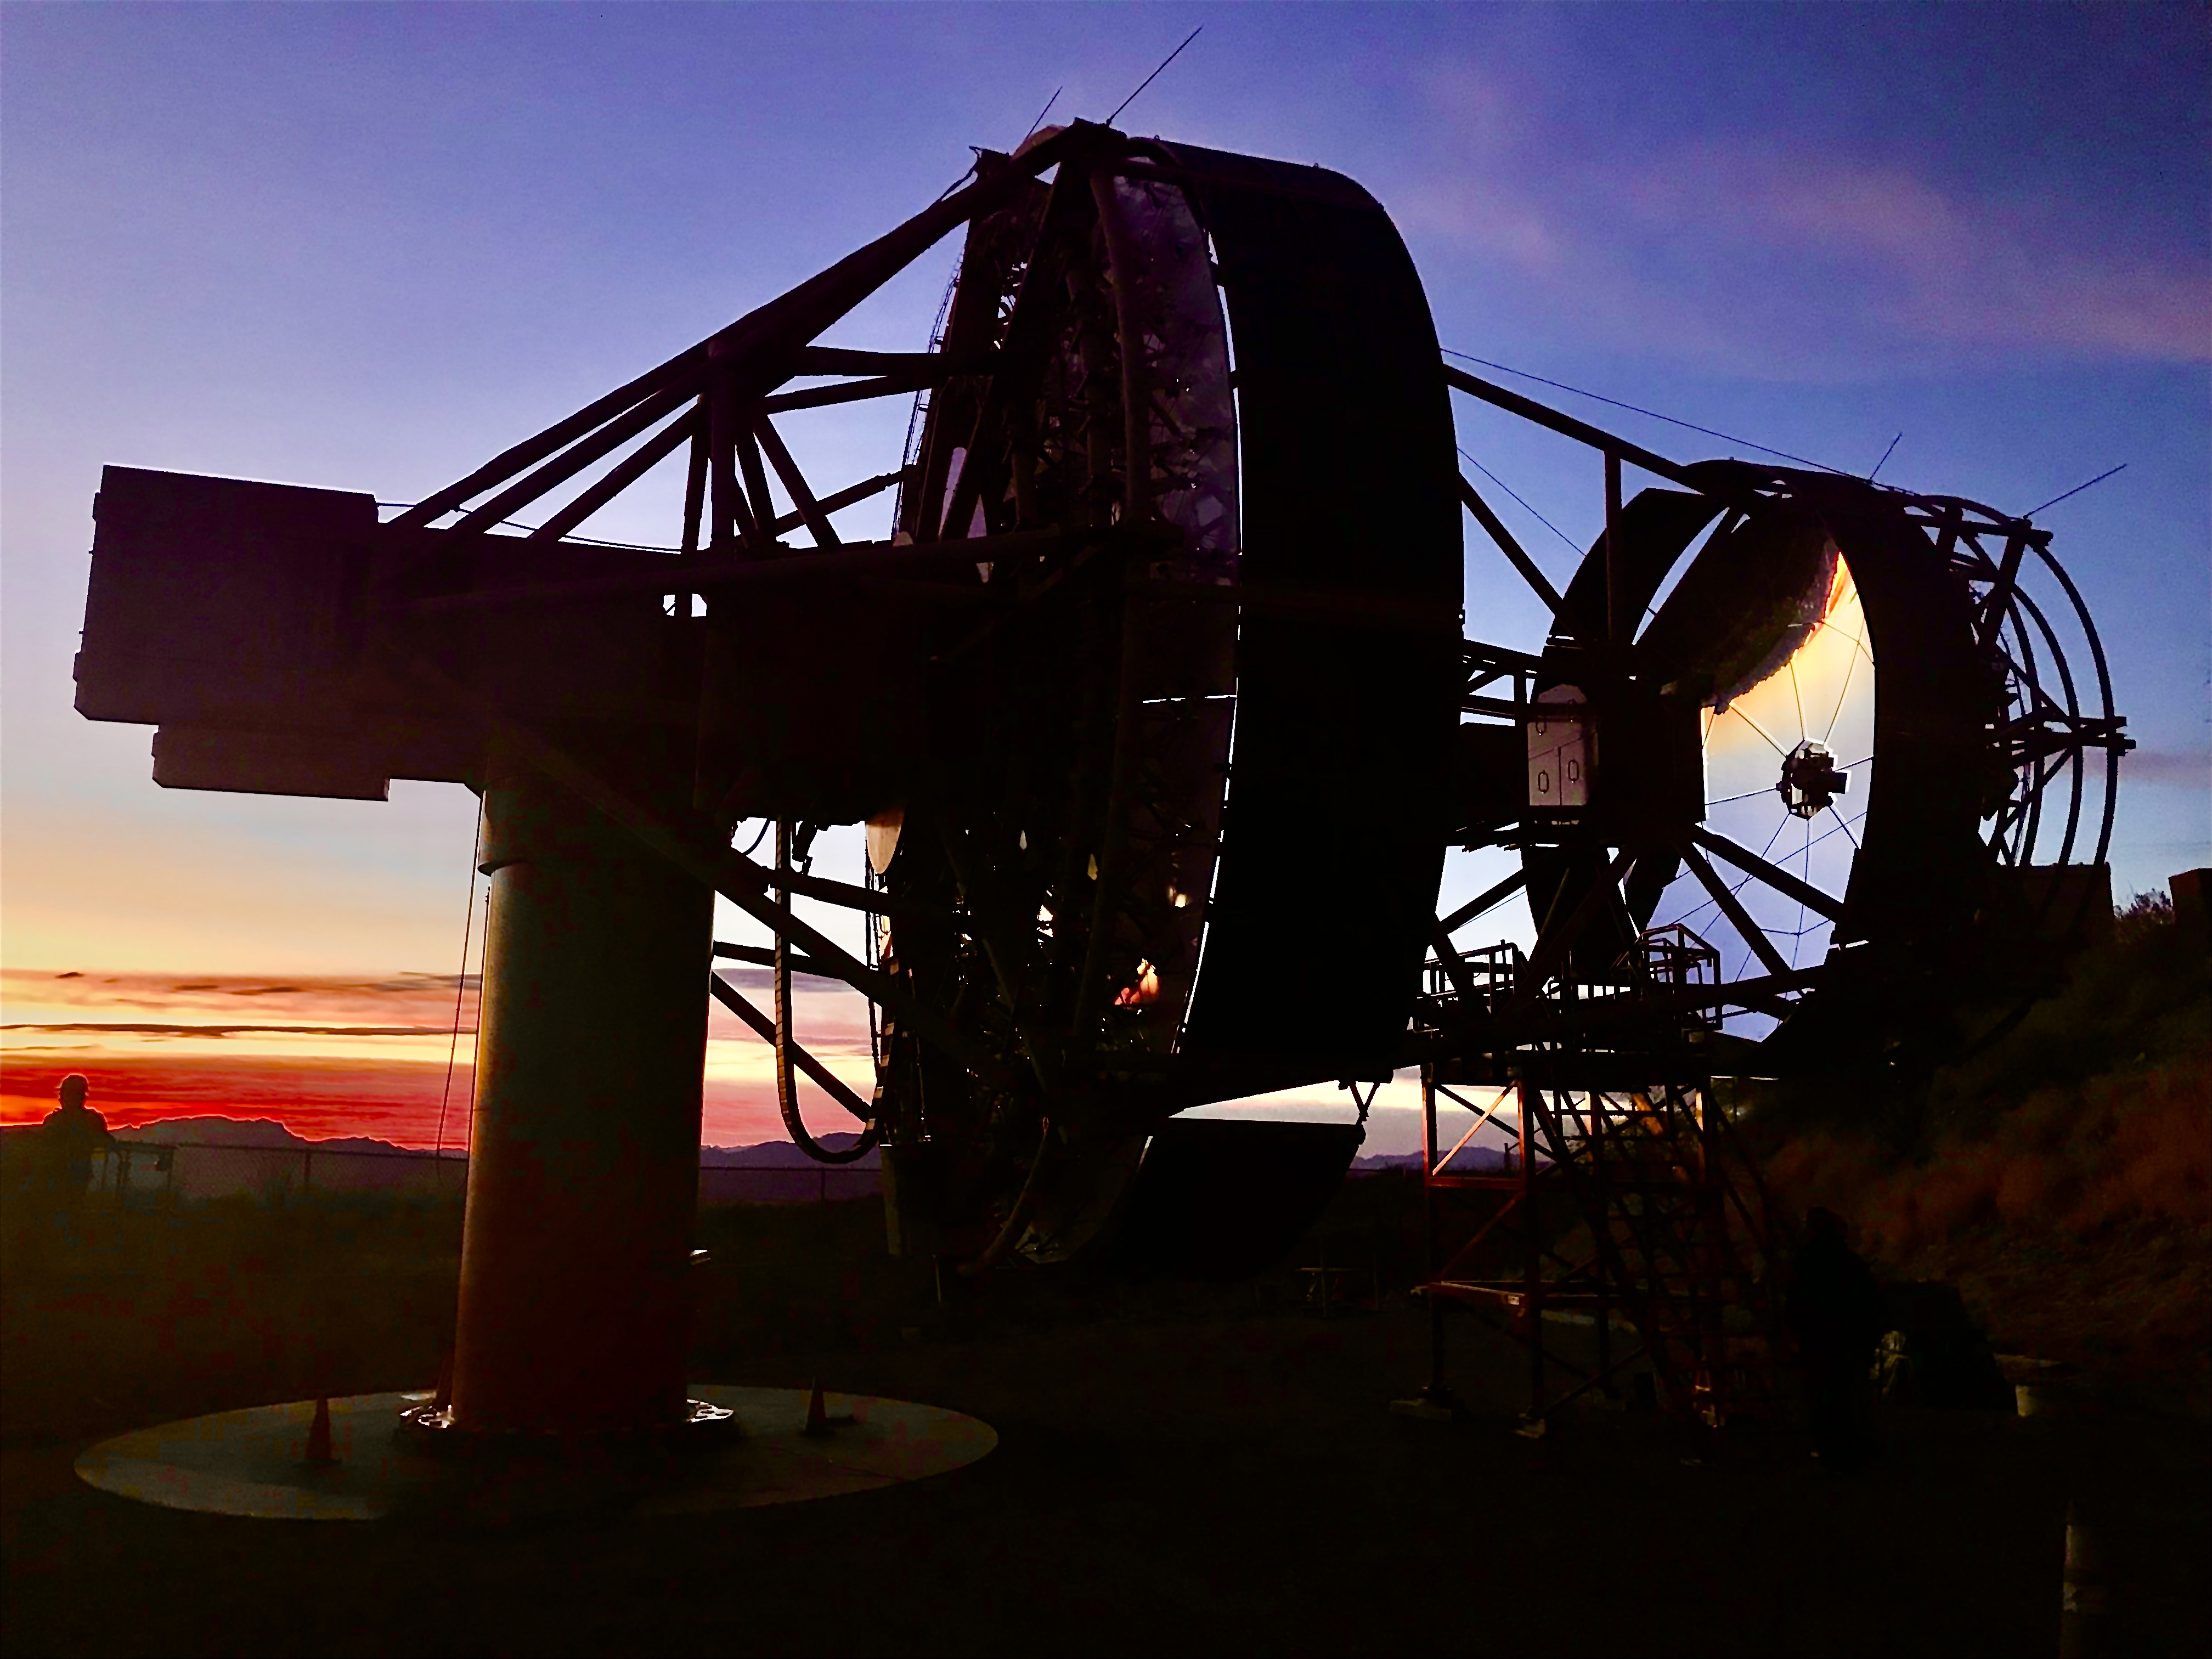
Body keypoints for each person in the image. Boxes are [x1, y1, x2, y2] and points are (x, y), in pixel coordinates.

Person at [1785, 1206, 1887, 1470]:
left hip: (1820, 1342)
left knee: (1823, 1399)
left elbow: (1796, 1301)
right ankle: (1848, 1451)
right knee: (1846, 1397)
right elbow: (1870, 1302)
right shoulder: (1849, 1262)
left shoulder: (1806, 1260)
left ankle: (1831, 1451)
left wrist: (1796, 1332)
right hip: (1845, 1342)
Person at [37, 1074, 115, 1215]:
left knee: (70, 1211)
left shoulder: (90, 1120)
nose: (63, 1098)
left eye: (68, 1094)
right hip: (54, 1175)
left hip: (73, 1174)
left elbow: (105, 1141)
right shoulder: (54, 1121)